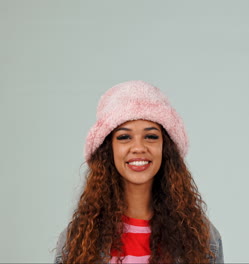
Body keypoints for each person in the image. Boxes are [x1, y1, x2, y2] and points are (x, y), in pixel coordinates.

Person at [54, 80, 223, 264]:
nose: (138, 148)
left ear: (165, 148)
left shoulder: (201, 237)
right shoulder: (78, 241)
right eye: (124, 137)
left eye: (151, 136)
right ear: (108, 149)